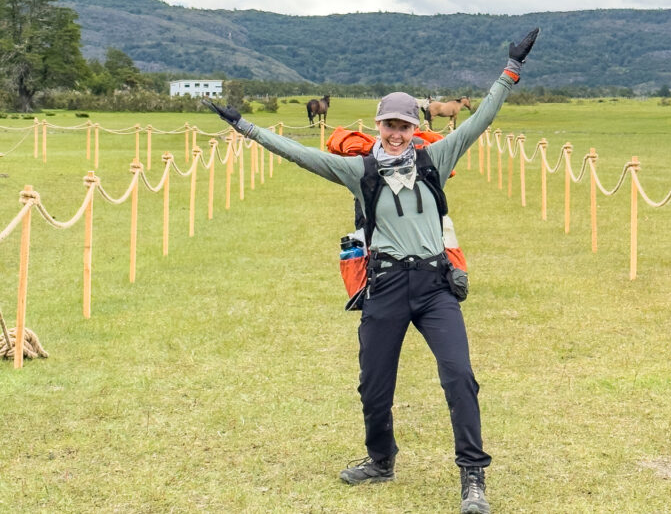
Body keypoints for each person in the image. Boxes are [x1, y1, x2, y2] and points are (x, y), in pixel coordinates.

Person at [206, 27, 539, 514]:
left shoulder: (435, 158)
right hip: (384, 287)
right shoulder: (358, 170)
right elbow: (302, 154)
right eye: (390, 125)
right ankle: (381, 461)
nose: (398, 133)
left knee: (459, 376)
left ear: (414, 126)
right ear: (379, 126)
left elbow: (480, 120)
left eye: (405, 125)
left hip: (433, 286)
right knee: (374, 383)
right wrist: (246, 128)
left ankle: (473, 476)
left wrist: (511, 70)